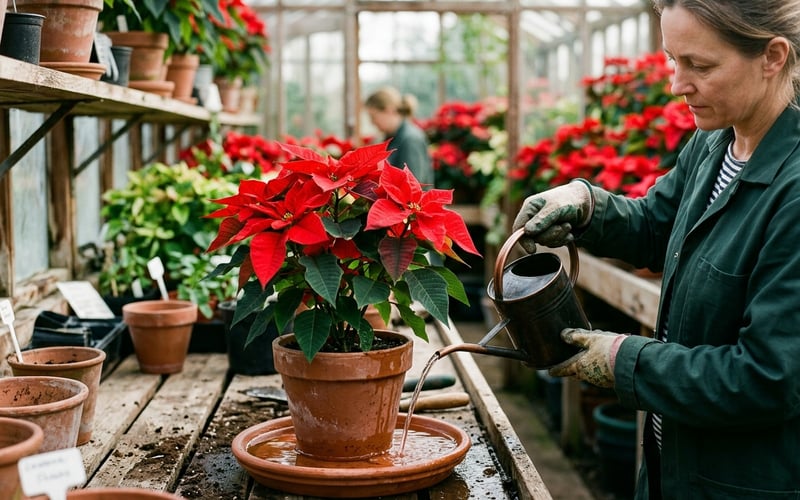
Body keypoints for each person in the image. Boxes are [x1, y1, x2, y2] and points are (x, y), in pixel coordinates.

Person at [512, 1, 800, 498]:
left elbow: (767, 377)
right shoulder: (715, 144)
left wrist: (624, 358)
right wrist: (586, 205)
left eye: (700, 66)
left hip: (740, 484)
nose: (677, 84)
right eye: (673, 59)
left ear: (773, 56)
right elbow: (655, 224)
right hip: (670, 466)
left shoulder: (792, 193)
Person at [365, 86, 434, 187]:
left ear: (389, 110)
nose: (372, 122)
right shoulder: (392, 137)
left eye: (373, 117)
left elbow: (414, 185)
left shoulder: (410, 139)